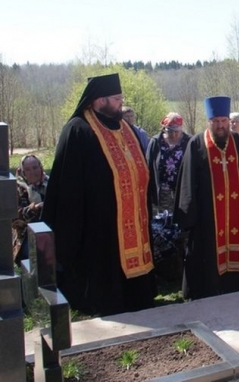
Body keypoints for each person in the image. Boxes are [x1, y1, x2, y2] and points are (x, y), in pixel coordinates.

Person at [42, 73, 155, 316]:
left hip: (134, 226)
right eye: (116, 99)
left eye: (121, 99)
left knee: (138, 300)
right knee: (107, 292)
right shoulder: (77, 131)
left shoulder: (126, 128)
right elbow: (67, 190)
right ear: (98, 100)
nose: (120, 105)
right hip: (99, 233)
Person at [175, 96, 239, 300]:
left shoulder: (238, 142)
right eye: (216, 122)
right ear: (209, 122)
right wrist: (189, 216)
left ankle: (236, 283)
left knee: (238, 251)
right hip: (208, 215)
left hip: (236, 214)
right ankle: (210, 286)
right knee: (208, 254)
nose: (221, 126)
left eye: (224, 121)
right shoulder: (197, 143)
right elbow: (187, 180)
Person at [146, 112, 191, 215]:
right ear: (164, 128)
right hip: (162, 191)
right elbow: (148, 165)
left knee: (182, 218)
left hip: (182, 190)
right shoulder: (156, 142)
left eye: (177, 131)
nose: (174, 134)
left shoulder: (188, 141)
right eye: (170, 131)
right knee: (163, 220)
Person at [12, 154, 49, 265]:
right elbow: (15, 220)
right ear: (22, 172)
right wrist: (35, 208)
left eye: (35, 168)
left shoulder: (50, 184)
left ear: (40, 167)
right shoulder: (17, 189)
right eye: (27, 169)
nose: (32, 172)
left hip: (50, 229)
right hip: (26, 235)